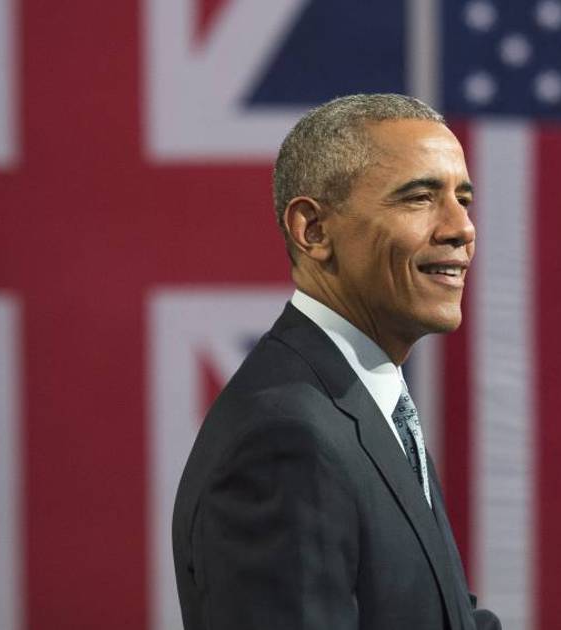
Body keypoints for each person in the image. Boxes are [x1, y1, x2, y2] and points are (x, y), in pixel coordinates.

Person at [171, 93, 500, 629]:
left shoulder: (365, 404)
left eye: (463, 199)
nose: (461, 227)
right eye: (420, 197)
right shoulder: (287, 436)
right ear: (314, 230)